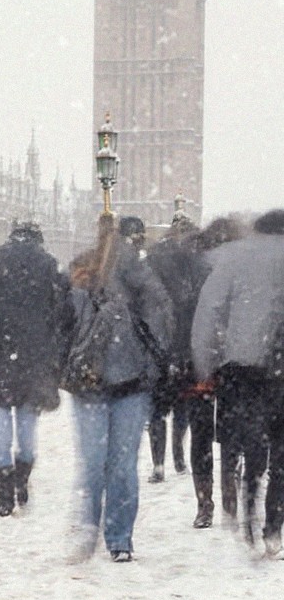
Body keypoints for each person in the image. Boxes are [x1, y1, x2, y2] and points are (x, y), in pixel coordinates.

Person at [60, 216, 175, 562]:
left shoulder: (138, 277)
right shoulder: (85, 273)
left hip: (112, 380)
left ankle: (105, 533)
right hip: (107, 379)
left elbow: (160, 315)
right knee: (113, 464)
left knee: (103, 463)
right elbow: (67, 322)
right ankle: (111, 534)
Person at [190, 208, 284, 556]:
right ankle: (274, 526)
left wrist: (205, 362)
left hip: (242, 367)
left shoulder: (235, 257)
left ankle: (248, 504)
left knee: (253, 441)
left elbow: (209, 311)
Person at [0, 221, 69, 515]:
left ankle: (3, 499)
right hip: (34, 359)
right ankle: (21, 481)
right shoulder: (50, 264)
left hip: (0, 355)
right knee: (26, 433)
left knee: (1, 435)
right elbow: (64, 312)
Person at [144, 213, 215, 524]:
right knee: (198, 426)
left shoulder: (154, 265)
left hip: (162, 354)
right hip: (197, 357)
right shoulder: (206, 267)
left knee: (158, 412)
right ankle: (204, 499)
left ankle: (160, 462)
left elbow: (146, 310)